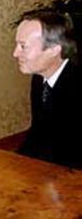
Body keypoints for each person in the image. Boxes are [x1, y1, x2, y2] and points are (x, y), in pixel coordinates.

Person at [13, 10, 82, 168]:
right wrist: (15, 164)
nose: (15, 53)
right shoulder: (39, 77)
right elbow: (39, 131)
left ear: (53, 50)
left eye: (23, 46)